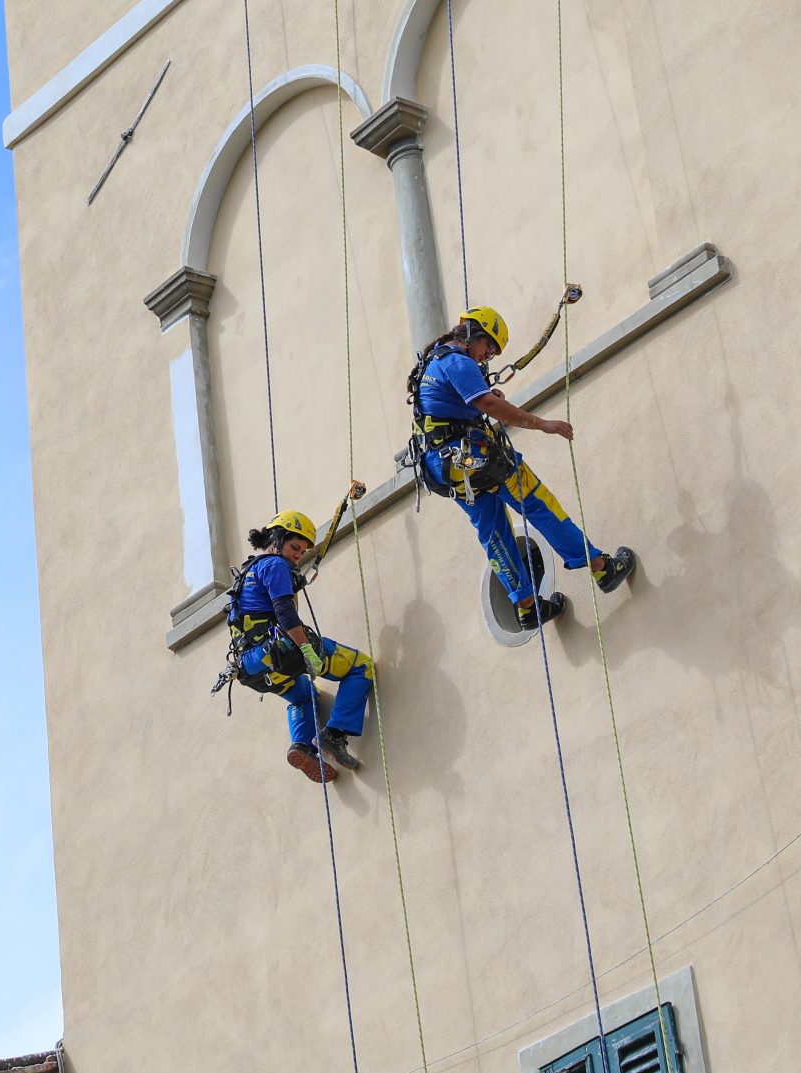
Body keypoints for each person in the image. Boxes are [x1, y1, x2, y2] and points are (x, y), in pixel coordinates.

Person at [410, 305, 636, 629]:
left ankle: (527, 608)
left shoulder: (433, 362)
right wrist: (541, 423)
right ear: (475, 332)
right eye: (489, 347)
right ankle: (602, 567)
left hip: (446, 469)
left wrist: (480, 398)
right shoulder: (458, 361)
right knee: (539, 503)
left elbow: (448, 409)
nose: (488, 356)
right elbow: (487, 404)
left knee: (494, 533)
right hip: (471, 457)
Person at [228, 493, 375, 783]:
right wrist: (307, 649)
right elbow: (285, 613)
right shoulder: (275, 565)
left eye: (303, 551)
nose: (298, 554)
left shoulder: (249, 573)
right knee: (361, 666)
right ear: (277, 538)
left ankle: (302, 746)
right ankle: (334, 734)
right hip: (282, 649)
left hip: (254, 668)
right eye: (295, 547)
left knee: (304, 695)